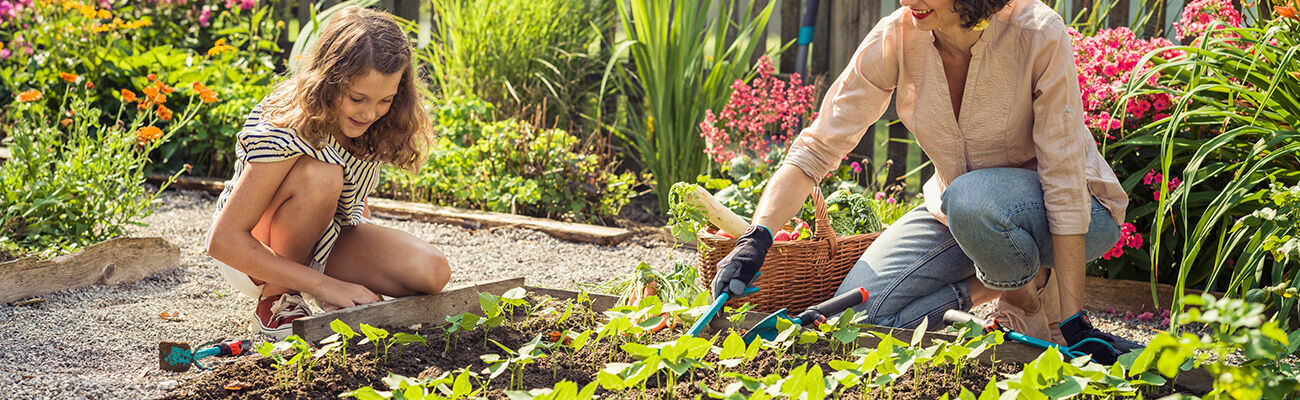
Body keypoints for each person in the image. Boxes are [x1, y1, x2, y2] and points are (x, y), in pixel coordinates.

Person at [711, 0, 1140, 363]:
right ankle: (997, 286)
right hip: (957, 210)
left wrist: (1074, 320)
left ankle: (1025, 300)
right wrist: (757, 237)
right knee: (858, 321)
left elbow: (1064, 181)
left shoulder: (1036, 32)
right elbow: (817, 146)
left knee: (972, 200)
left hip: (1069, 213)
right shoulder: (897, 36)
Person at [206, 6, 450, 339]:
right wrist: (326, 285)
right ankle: (278, 298)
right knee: (323, 176)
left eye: (385, 100)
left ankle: (319, 293)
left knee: (432, 271)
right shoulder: (290, 126)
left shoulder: (371, 124)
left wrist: (344, 283)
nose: (370, 113)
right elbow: (222, 242)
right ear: (330, 80)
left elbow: (351, 199)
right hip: (253, 255)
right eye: (358, 98)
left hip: (321, 239)